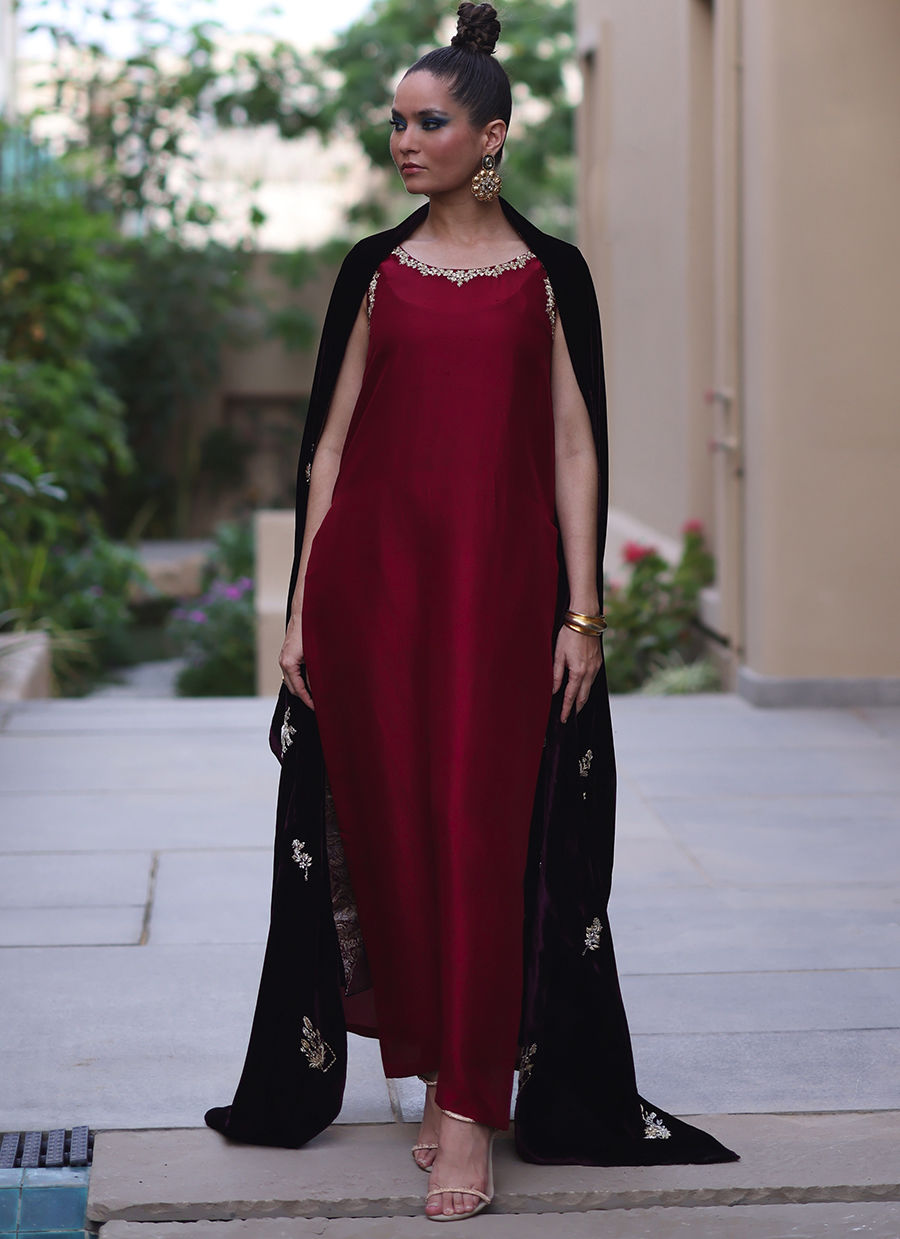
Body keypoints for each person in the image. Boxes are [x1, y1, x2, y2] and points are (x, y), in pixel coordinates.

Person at [206, 2, 738, 1222]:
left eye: (429, 122)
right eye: (396, 122)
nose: (404, 140)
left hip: (500, 607)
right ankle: (445, 1079)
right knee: (397, 838)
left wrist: (583, 614)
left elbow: (574, 449)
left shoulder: (550, 279)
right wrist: (300, 612)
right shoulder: (374, 271)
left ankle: (465, 1114)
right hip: (374, 601)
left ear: (489, 136)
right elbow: (328, 450)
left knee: (486, 839)